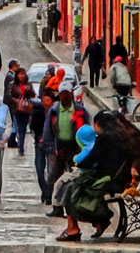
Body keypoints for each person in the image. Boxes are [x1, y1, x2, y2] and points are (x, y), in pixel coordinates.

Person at [58, 111, 132, 242]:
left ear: (98, 124)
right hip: (117, 179)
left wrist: (78, 163)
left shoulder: (104, 138)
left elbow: (90, 160)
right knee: (71, 185)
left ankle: (74, 227)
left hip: (106, 182)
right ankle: (97, 222)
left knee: (68, 186)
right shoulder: (121, 137)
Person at [43, 79, 91, 215]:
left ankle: (74, 206)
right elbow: (48, 130)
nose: (64, 96)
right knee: (55, 177)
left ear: (71, 93)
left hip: (75, 147)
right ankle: (57, 207)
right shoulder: (54, 111)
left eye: (66, 93)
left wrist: (84, 148)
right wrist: (52, 147)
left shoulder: (80, 110)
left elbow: (87, 129)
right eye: (62, 93)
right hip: (59, 147)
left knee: (74, 176)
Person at [46, 124, 96, 218]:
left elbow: (78, 159)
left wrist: (75, 157)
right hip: (89, 173)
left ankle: (57, 207)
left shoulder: (87, 149)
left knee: (60, 183)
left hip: (83, 174)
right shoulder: (95, 146)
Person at [31, 88, 53, 205]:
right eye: (44, 100)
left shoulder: (55, 112)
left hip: (51, 145)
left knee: (51, 171)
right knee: (39, 169)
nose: (46, 102)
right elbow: (33, 126)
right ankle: (45, 192)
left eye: (48, 100)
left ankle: (48, 195)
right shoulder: (37, 111)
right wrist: (39, 136)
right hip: (39, 143)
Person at [8, 68, 35, 156]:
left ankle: (21, 145)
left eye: (23, 74)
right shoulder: (13, 84)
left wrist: (28, 90)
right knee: (20, 128)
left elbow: (33, 95)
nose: (22, 76)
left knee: (24, 127)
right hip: (17, 109)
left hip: (26, 109)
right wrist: (17, 101)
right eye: (20, 74)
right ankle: (21, 147)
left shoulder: (29, 84)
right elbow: (9, 95)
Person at [3, 59, 20, 146]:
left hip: (9, 103)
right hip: (11, 104)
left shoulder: (10, 75)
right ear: (13, 66)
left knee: (12, 123)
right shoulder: (11, 76)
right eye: (17, 66)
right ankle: (11, 141)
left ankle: (12, 140)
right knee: (12, 123)